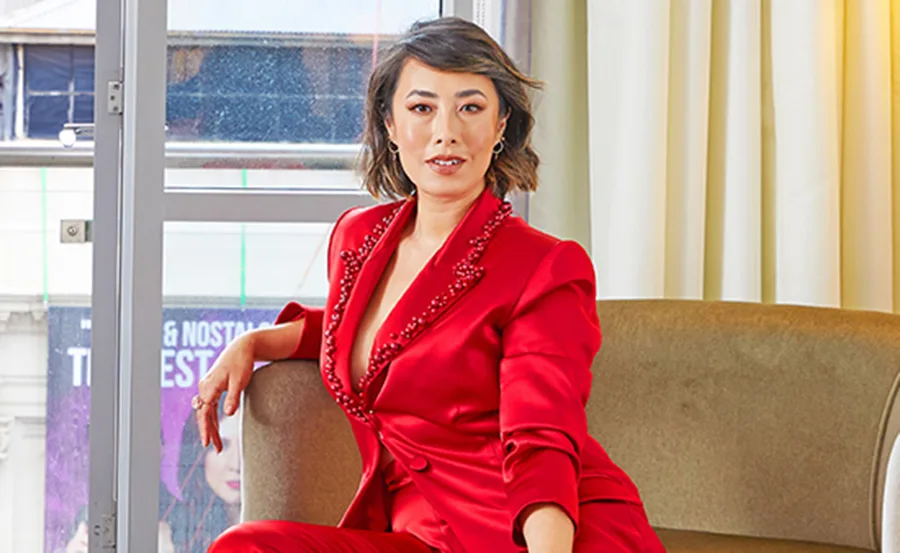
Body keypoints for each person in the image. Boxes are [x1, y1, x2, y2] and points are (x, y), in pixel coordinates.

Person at [192, 16, 665, 553]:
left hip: (533, 531)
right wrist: (253, 343)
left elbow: (542, 442)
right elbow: (384, 336)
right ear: (390, 124)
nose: (447, 132)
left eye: (470, 107)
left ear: (501, 125)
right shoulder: (358, 236)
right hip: (421, 532)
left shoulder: (545, 266)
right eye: (422, 108)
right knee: (246, 546)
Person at [168, 403, 241, 553]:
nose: (236, 465)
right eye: (221, 446)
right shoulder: (166, 541)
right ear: (199, 454)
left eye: (246, 447)